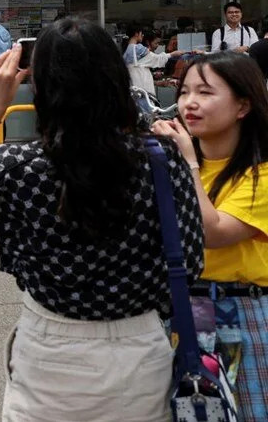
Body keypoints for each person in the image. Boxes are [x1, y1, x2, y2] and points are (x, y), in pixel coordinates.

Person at [0, 19, 204, 421]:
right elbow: (191, 259)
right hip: (141, 347)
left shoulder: (19, 167)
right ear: (116, 79)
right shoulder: (161, 160)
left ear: (41, 89)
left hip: (49, 349)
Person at [153, 52, 268, 420]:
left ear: (243, 105)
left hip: (244, 313)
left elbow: (212, 232)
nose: (189, 103)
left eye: (205, 92)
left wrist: (187, 162)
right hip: (182, 311)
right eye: (184, 91)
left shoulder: (261, 174)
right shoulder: (167, 162)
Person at [123, 24, 186, 96]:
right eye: (141, 33)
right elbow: (157, 59)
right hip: (143, 92)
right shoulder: (138, 49)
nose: (142, 35)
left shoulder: (127, 51)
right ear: (136, 34)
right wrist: (172, 54)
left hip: (135, 91)